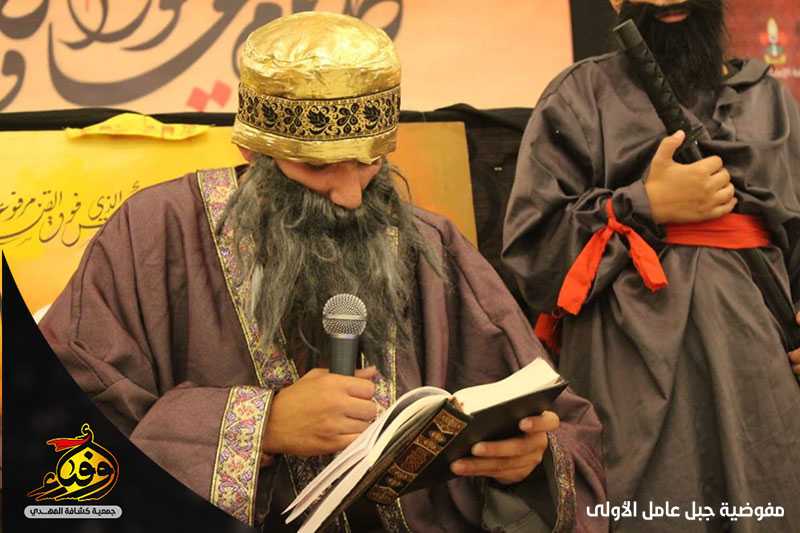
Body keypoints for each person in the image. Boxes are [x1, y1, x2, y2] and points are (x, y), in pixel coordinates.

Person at [40, 12, 606, 532]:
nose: (350, 195)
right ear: (254, 150)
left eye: (369, 161)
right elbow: (59, 430)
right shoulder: (154, 232)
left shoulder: (428, 243)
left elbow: (566, 428)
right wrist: (261, 427)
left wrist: (525, 461)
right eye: (318, 167)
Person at [503, 0, 800, 531]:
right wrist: (643, 205)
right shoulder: (578, 96)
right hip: (628, 383)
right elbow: (534, 257)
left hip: (759, 380)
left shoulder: (770, 100)